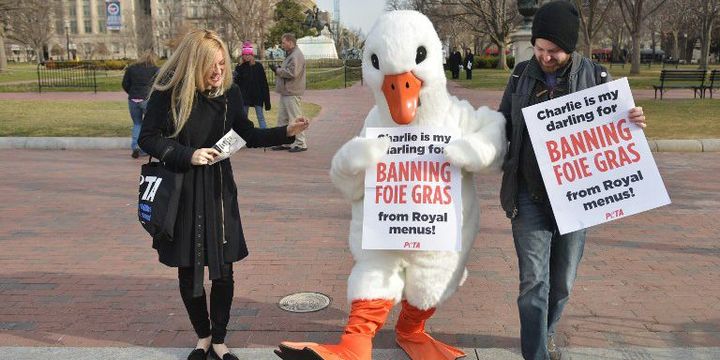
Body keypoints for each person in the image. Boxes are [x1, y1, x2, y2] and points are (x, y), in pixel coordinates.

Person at [138, 29, 309, 360]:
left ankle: (219, 340)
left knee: (224, 269)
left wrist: (285, 132)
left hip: (218, 191)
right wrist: (185, 154)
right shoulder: (169, 92)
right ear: (192, 64)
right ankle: (202, 337)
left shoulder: (230, 92)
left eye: (221, 64)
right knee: (189, 269)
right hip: (182, 190)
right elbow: (148, 137)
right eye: (210, 66)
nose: (218, 72)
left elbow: (246, 134)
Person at [498, 2, 646, 360]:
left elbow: (612, 128)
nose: (545, 57)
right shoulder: (520, 76)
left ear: (571, 47)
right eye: (539, 48)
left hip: (575, 199)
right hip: (528, 196)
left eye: (554, 50)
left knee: (561, 282)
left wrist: (633, 120)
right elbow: (500, 124)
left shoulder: (595, 76)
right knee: (534, 282)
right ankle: (535, 354)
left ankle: (547, 329)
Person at [269, 33, 307, 152]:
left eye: (283, 42)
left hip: (292, 92)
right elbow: (289, 70)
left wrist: (277, 70)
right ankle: (285, 141)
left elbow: (292, 73)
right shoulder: (291, 54)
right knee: (283, 118)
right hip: (287, 92)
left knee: (294, 118)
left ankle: (301, 143)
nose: (282, 45)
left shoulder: (295, 55)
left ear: (291, 42)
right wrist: (279, 68)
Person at [122, 50, 159, 158]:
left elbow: (125, 84)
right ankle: (145, 148)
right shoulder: (155, 70)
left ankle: (135, 147)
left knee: (137, 124)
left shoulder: (131, 69)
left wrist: (131, 93)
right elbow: (159, 84)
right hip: (147, 99)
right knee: (149, 124)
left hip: (133, 99)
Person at [233, 41, 271, 129]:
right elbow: (236, 84)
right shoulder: (239, 67)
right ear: (242, 55)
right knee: (243, 118)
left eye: (248, 54)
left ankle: (264, 136)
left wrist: (267, 101)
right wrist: (234, 77)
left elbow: (264, 83)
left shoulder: (258, 66)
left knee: (260, 117)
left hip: (257, 96)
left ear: (252, 55)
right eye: (245, 54)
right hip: (244, 97)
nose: (247, 56)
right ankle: (243, 137)